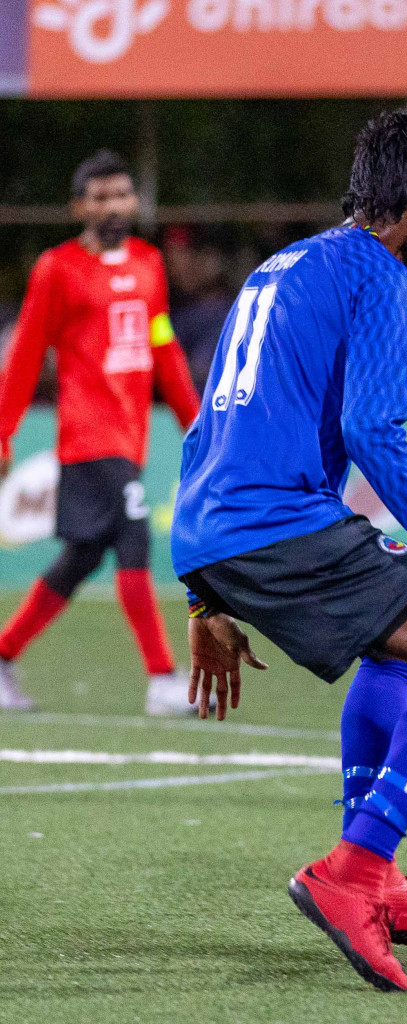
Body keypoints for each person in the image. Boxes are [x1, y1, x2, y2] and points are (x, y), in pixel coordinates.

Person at [172, 107, 407, 993]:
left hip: (226, 525)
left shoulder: (282, 266)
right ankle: (354, 869)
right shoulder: (385, 275)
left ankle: (372, 874)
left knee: (400, 650)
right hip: (279, 524)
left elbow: (200, 435)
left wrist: (204, 594)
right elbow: (374, 430)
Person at [0, 151, 202, 714]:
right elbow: (24, 357)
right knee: (136, 542)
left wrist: (198, 426)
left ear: (134, 201)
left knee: (82, 559)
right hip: (89, 439)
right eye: (101, 196)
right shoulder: (57, 269)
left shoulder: (148, 264)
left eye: (122, 194)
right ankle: (162, 678)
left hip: (131, 438)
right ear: (80, 206)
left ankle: (2, 655)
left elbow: (163, 349)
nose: (114, 205)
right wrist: (2, 432)